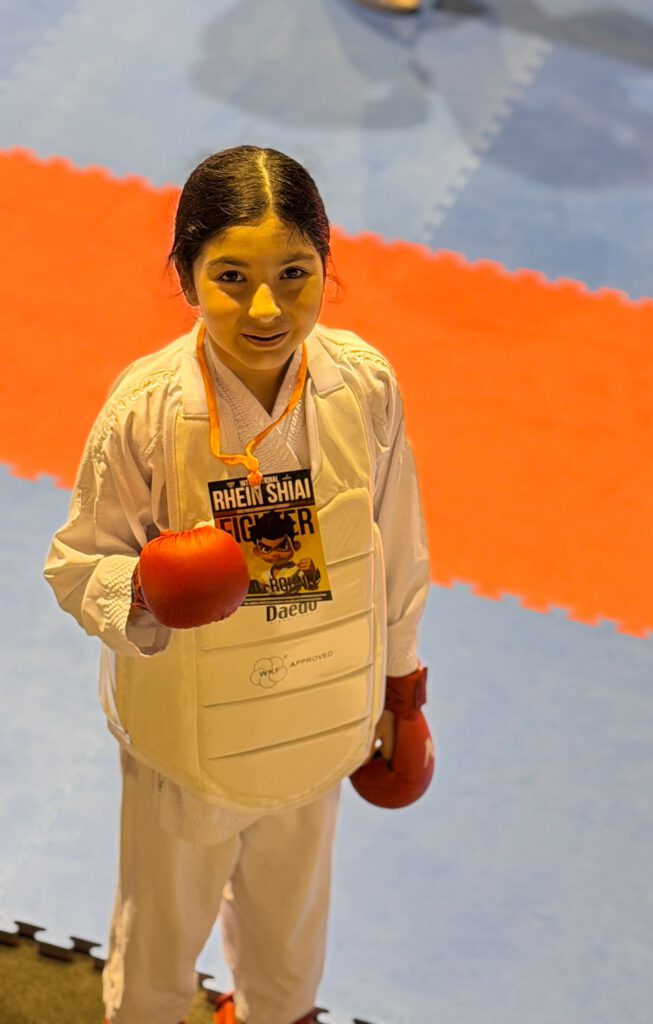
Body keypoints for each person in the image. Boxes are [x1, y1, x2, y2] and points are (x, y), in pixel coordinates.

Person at [44, 145, 433, 1024]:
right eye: (231, 277)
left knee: (290, 945)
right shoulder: (149, 409)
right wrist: (147, 590)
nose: (266, 307)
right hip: (190, 745)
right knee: (158, 945)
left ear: (326, 266)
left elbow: (400, 546)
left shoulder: (361, 386)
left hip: (319, 719)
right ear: (186, 277)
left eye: (294, 273)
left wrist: (402, 689)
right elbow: (78, 563)